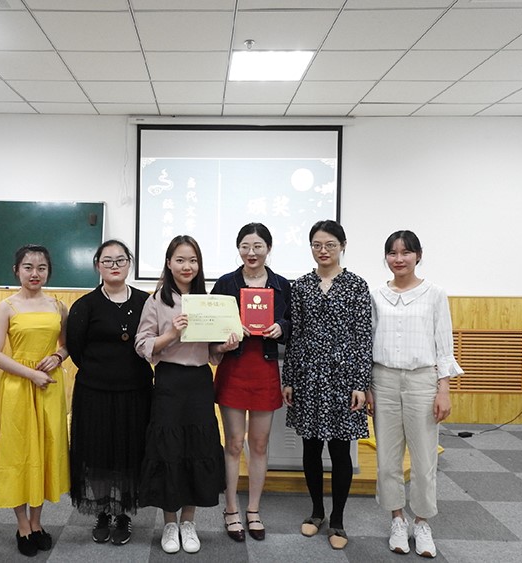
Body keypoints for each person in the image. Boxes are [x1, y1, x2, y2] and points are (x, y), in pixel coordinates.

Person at [134, 235, 237, 555]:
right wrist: (171, 334)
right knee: (169, 450)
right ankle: (169, 522)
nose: (187, 266)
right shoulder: (156, 301)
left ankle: (188, 522)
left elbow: (212, 353)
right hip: (169, 381)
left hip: (199, 382)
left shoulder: (207, 301)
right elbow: (142, 344)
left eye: (192, 260)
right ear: (168, 263)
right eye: (180, 260)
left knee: (196, 448)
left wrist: (225, 346)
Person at [366, 230, 462, 559]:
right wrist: (368, 386)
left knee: (424, 461)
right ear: (386, 257)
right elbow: (368, 344)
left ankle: (422, 522)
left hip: (423, 380)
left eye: (406, 252)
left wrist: (444, 389)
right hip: (384, 381)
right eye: (392, 253)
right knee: (387, 461)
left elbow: (444, 345)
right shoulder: (376, 296)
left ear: (418, 255)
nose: (399, 259)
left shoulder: (434, 294)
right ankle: (397, 519)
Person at [282, 220, 372, 550]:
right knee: (310, 447)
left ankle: (338, 520)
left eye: (330, 244)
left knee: (340, 449)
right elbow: (295, 335)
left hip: (343, 377)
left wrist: (361, 383)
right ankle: (316, 511)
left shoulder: (356, 285)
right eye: (317, 245)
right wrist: (289, 379)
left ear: (342, 246)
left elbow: (363, 338)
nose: (323, 250)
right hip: (307, 375)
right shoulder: (301, 286)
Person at [0, 245, 70, 557]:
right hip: (18, 387)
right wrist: (31, 374)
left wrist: (57, 356)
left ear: (48, 271)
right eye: (28, 267)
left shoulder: (58, 306)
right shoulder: (6, 307)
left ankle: (37, 522)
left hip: (49, 387)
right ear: (16, 270)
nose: (35, 273)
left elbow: (67, 344)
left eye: (41, 268)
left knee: (44, 452)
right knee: (18, 454)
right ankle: (22, 525)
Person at [66, 240, 154, 546]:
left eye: (120, 260)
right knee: (98, 452)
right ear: (97, 266)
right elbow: (76, 349)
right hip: (95, 392)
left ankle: (124, 513)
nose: (114, 266)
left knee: (129, 452)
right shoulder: (85, 305)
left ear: (129, 264)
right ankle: (103, 510)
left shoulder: (146, 301)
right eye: (107, 261)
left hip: (136, 391)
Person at [210, 223, 291, 542]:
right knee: (233, 443)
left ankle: (254, 510)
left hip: (265, 368)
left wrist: (281, 327)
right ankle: (231, 509)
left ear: (268, 248)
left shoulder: (282, 285)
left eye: (258, 246)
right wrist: (226, 334)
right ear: (238, 249)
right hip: (235, 367)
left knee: (258, 444)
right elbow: (211, 327)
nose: (251, 252)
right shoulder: (226, 283)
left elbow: (294, 323)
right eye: (245, 246)